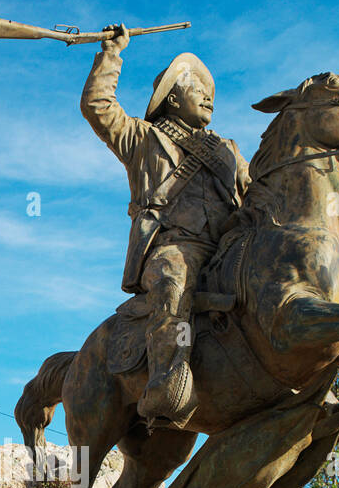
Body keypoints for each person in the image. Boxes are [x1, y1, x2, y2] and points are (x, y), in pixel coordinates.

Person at [81, 23, 250, 429]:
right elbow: (97, 106)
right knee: (174, 275)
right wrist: (112, 53)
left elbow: (254, 190)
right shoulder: (141, 138)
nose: (209, 96)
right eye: (198, 88)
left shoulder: (226, 149)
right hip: (176, 245)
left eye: (211, 90)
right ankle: (165, 379)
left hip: (229, 244)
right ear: (172, 96)